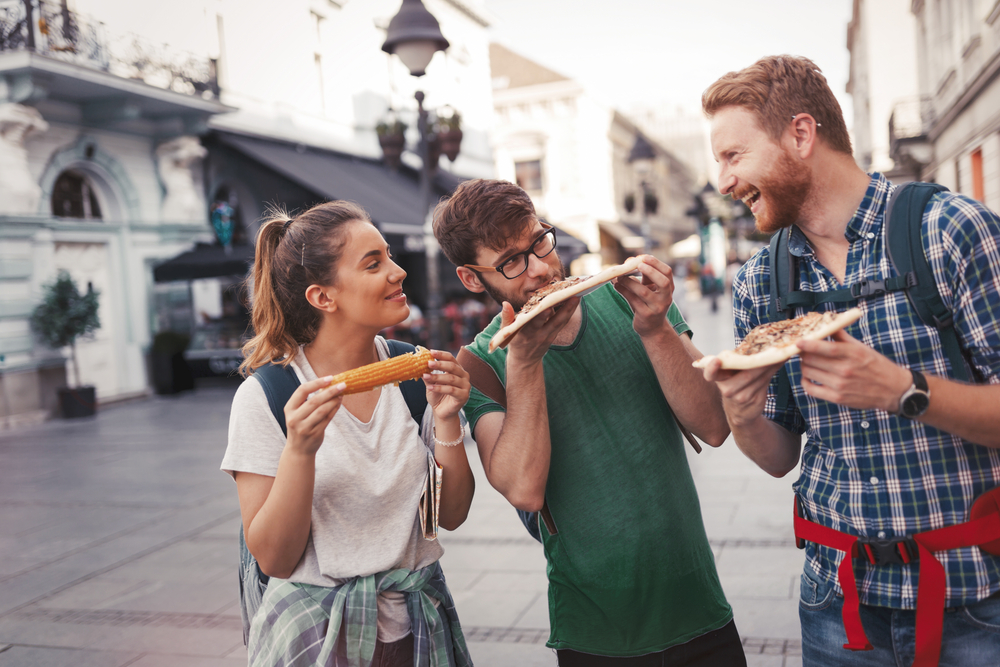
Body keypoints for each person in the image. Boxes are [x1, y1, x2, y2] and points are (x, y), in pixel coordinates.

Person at [700, 55, 1000, 667]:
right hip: (838, 608)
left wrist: (902, 390)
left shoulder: (950, 231)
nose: (724, 182)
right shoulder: (759, 282)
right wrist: (743, 414)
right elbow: (779, 458)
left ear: (800, 134)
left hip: (974, 598)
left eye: (733, 156)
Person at [433, 179, 745, 666]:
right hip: (595, 631)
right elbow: (523, 490)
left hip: (700, 604)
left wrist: (655, 327)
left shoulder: (622, 297)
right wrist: (525, 364)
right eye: (511, 261)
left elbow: (715, 425)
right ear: (472, 279)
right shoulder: (480, 364)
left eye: (539, 242)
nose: (540, 268)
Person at [221, 201, 476, 667]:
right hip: (317, 637)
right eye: (373, 263)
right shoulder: (267, 397)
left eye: (389, 256)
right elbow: (275, 559)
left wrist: (446, 419)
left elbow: (450, 515)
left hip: (418, 626)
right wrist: (300, 451)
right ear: (323, 297)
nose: (398, 272)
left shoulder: (413, 377)